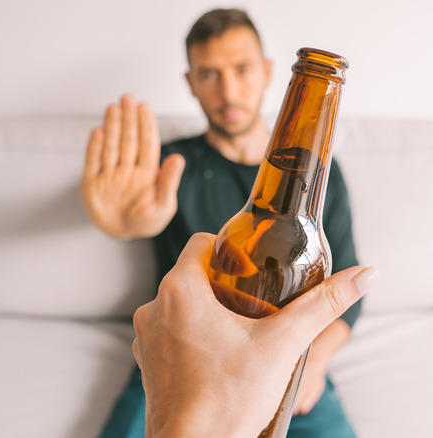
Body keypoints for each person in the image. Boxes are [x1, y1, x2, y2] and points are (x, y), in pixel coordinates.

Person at [81, 8, 363, 437]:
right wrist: (122, 224)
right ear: (190, 83)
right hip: (181, 354)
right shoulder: (168, 164)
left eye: (242, 69)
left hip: (286, 361)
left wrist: (315, 363)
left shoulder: (322, 178)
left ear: (269, 72)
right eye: (210, 74)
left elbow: (347, 289)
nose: (229, 91)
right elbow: (138, 216)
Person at [132, 233, 379, 437]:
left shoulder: (329, 185)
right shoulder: (184, 175)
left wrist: (313, 364)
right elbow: (144, 220)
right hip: (177, 353)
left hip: (294, 360)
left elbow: (348, 305)